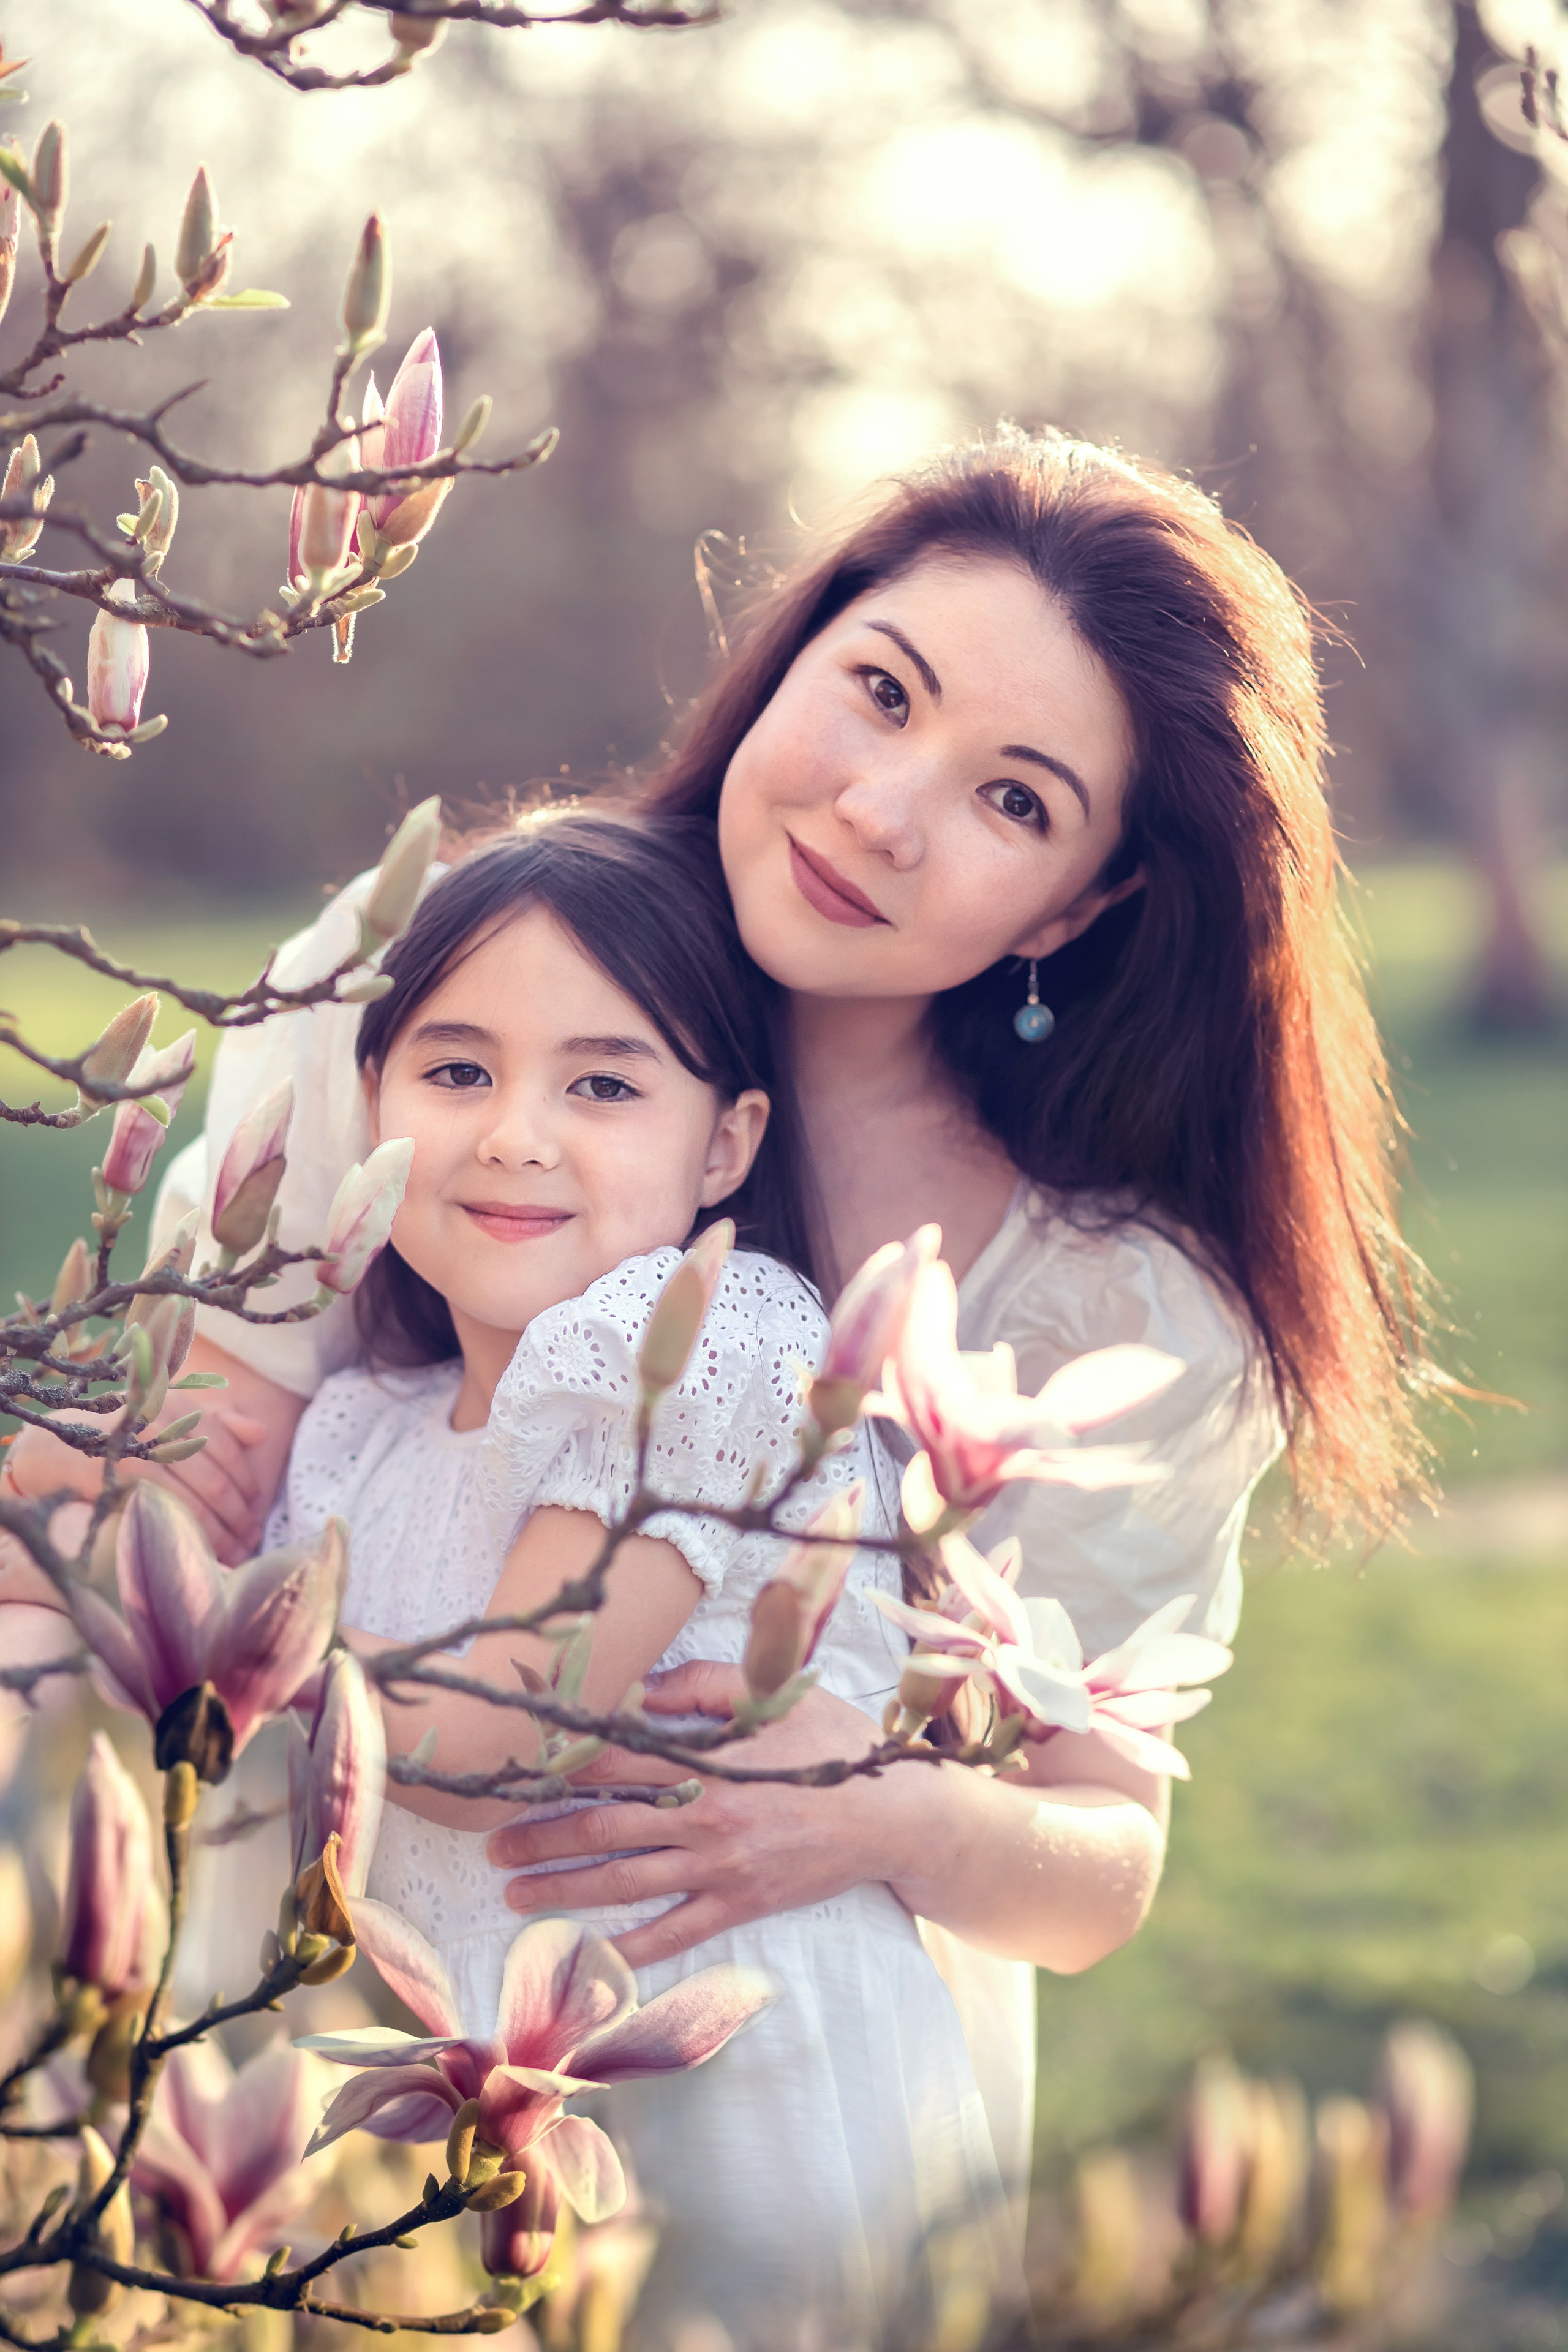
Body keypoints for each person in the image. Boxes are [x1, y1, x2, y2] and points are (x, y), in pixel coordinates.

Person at [4, 425, 1436, 2239]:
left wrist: (878, 1820)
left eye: (1015, 800)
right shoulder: (422, 985)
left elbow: (1100, 1861)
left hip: (763, 2091)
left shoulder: (1110, 1308)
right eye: (881, 693)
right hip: (336, 2022)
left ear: (1076, 906)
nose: (883, 809)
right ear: (794, 657)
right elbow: (207, 1479)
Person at [260, 809, 1024, 2331]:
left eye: (601, 1084)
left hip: (747, 2090)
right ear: (373, 1104)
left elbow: (504, 1734)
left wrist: (233, 1676)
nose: (515, 1132)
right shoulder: (353, 1434)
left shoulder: (722, 1342)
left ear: (725, 1142)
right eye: (457, 1069)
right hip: (484, 2127)